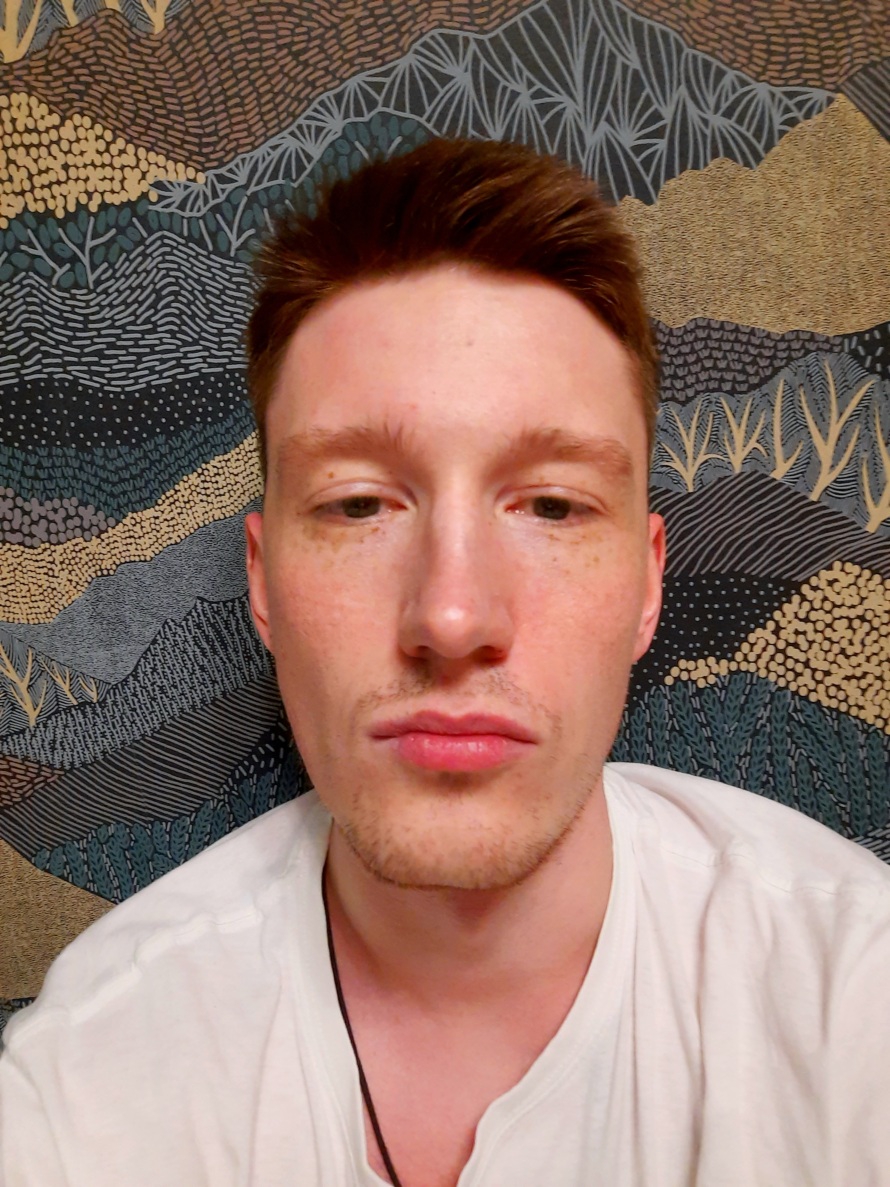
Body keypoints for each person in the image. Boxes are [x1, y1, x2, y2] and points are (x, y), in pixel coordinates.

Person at [1, 138, 888, 1187]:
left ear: (648, 586)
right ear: (262, 584)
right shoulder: (86, 1083)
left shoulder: (852, 1002)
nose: (453, 614)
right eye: (357, 505)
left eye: (551, 504)